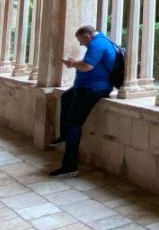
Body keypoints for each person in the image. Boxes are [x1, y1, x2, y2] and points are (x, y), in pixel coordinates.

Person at [48, 25, 116, 178]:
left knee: (73, 124)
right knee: (66, 97)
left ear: (87, 36)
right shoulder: (100, 41)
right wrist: (76, 62)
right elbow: (89, 63)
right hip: (87, 86)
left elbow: (87, 66)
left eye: (80, 40)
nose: (80, 44)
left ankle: (70, 166)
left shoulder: (97, 44)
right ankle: (65, 135)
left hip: (93, 88)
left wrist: (72, 64)